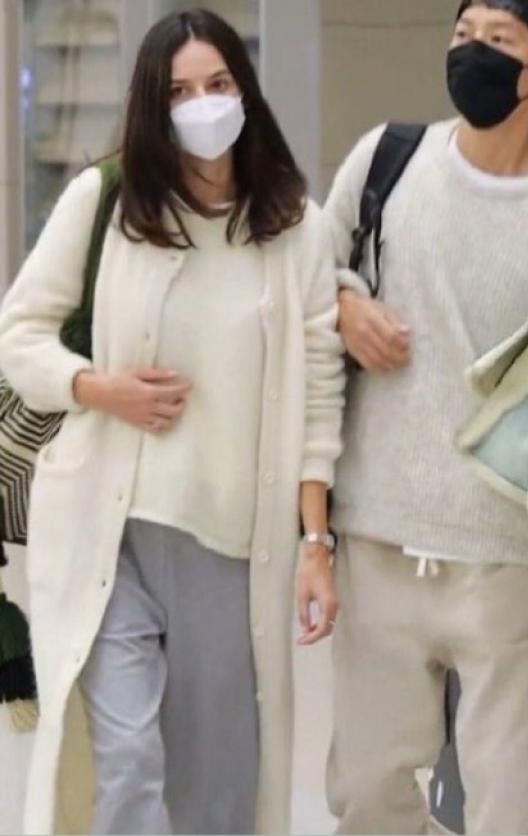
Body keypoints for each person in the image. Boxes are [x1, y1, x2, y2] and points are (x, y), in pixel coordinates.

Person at [0, 8, 344, 835]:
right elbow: (19, 336)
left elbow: (320, 392)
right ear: (151, 107)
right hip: (109, 533)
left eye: (218, 84)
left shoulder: (295, 225)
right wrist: (97, 387)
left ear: (246, 91)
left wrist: (315, 542)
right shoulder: (106, 201)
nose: (203, 105)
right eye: (180, 92)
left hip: (230, 544)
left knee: (216, 784)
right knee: (126, 761)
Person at [323, 0, 528, 833]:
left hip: (510, 555)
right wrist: (344, 306)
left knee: (512, 808)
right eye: (463, 35)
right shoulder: (386, 162)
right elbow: (303, 281)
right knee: (368, 796)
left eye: (500, 41)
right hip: (378, 537)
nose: (472, 54)